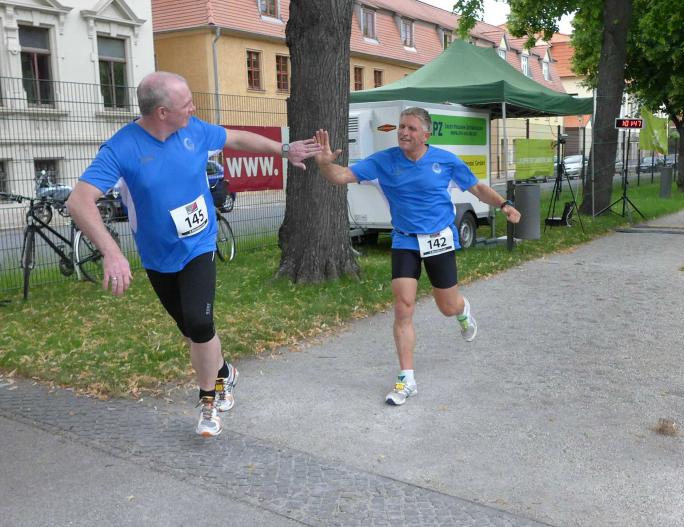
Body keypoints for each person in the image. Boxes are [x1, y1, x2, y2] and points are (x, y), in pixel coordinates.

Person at [66, 71, 322, 437]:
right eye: (186, 104)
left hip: (200, 242)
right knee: (189, 330)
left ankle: (208, 400)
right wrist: (111, 252)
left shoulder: (194, 130)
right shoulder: (122, 148)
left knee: (200, 324)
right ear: (162, 113)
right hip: (158, 254)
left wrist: (284, 149)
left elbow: (237, 138)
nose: (194, 108)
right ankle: (224, 372)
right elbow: (79, 201)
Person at [314, 107, 521, 406]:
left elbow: (476, 187)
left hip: (438, 239)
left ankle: (462, 311)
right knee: (403, 307)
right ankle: (406, 379)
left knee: (447, 306)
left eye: (411, 128)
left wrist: (504, 205)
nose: (403, 132)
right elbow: (341, 175)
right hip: (405, 240)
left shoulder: (445, 161)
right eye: (401, 127)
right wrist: (324, 164)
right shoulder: (384, 161)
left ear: (426, 134)